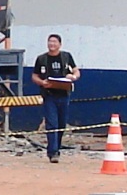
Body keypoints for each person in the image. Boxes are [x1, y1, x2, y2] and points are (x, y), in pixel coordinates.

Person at [32, 34, 80, 164]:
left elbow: (76, 71)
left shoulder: (66, 57)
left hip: (64, 94)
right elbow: (34, 76)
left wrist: (73, 77)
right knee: (52, 123)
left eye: (54, 42)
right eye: (50, 42)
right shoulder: (41, 59)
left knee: (61, 124)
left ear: (60, 44)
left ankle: (56, 148)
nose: (51, 44)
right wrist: (42, 83)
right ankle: (52, 152)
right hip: (49, 95)